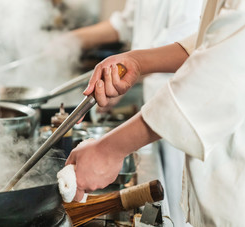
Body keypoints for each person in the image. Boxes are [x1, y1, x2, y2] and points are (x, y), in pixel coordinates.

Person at [66, 0, 245, 226]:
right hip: (216, 175)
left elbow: (220, 76)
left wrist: (108, 150)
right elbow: (213, 40)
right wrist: (138, 60)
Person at [71, 1, 202, 225]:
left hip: (198, 134)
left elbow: (210, 71)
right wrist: (135, 62)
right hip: (162, 120)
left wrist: (109, 149)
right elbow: (201, 43)